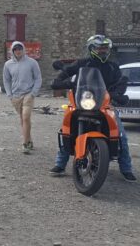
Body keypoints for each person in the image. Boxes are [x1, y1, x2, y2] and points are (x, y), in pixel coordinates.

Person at [49, 35, 137, 182]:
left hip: (105, 104)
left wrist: (117, 94)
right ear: (91, 48)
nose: (103, 50)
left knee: (121, 135)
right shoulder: (82, 63)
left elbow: (120, 83)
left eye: (105, 48)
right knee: (66, 129)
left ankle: (126, 168)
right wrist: (59, 82)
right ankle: (60, 164)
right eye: (99, 47)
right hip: (82, 102)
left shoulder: (113, 66)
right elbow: (66, 73)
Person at [3, 41, 42, 154]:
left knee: (25, 117)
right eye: (15, 49)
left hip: (28, 94)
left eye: (20, 49)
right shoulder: (8, 65)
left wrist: (33, 93)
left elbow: (38, 78)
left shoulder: (32, 62)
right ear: (13, 51)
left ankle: (25, 144)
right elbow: (6, 80)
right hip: (15, 96)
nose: (18, 51)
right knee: (23, 119)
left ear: (23, 49)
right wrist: (10, 95)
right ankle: (29, 140)